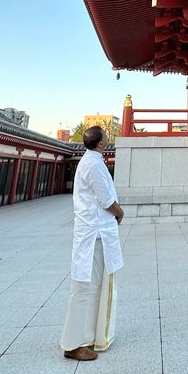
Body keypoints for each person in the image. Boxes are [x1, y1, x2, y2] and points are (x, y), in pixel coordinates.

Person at [60, 125, 124, 361]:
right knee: (85, 286)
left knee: (94, 284)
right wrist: (120, 212)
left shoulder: (91, 160)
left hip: (94, 231)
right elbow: (106, 199)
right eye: (106, 136)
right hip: (94, 233)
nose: (108, 138)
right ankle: (73, 342)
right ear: (100, 143)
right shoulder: (94, 164)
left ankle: (89, 336)